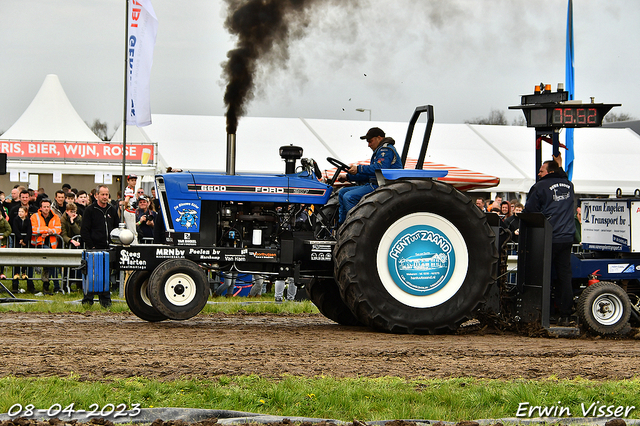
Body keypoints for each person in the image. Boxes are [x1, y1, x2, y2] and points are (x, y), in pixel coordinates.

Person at [524, 155, 575, 326]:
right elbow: (561, 177)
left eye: (541, 170)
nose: (539, 173)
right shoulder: (569, 185)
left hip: (548, 237)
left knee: (542, 277)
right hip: (567, 237)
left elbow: (530, 211)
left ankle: (545, 313)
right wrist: (559, 165)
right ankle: (566, 315)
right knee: (564, 277)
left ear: (549, 171)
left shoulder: (539, 186)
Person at [337, 127, 403, 224]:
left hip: (384, 185)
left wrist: (359, 168)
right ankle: (341, 225)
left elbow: (380, 168)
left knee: (349, 197)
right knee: (342, 192)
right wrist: (348, 177)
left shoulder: (386, 150)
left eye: (370, 141)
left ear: (379, 138)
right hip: (375, 183)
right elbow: (370, 174)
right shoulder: (379, 151)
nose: (368, 145)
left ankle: (355, 226)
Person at [80, 185, 119, 307]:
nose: (105, 197)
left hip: (108, 248)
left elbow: (116, 228)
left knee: (106, 275)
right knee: (92, 275)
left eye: (107, 194)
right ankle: (88, 301)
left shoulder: (112, 210)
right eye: (102, 194)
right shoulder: (90, 210)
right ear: (96, 195)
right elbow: (84, 230)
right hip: (94, 249)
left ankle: (105, 301)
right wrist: (91, 246)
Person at [31, 198, 62, 294]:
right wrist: (47, 230)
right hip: (39, 244)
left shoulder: (55, 216)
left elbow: (58, 229)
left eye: (48, 206)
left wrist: (49, 232)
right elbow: (34, 229)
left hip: (52, 245)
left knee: (52, 265)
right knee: (50, 264)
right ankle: (53, 286)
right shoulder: (35, 216)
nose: (46, 209)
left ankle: (50, 286)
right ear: (40, 208)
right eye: (44, 207)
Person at [12, 206, 34, 293]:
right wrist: (20, 238)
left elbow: (29, 231)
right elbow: (15, 229)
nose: (20, 213)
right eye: (19, 211)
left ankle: (24, 272)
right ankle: (16, 273)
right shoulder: (16, 219)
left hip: (26, 242)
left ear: (25, 213)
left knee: (25, 256)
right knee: (17, 257)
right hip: (17, 241)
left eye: (22, 211)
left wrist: (25, 240)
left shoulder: (28, 220)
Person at [123, 174, 139, 243]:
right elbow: (126, 200)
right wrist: (125, 206)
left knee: (132, 230)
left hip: (131, 211)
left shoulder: (130, 189)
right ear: (128, 181)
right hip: (130, 211)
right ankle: (134, 245)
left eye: (135, 180)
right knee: (132, 231)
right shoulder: (129, 190)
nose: (134, 182)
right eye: (132, 180)